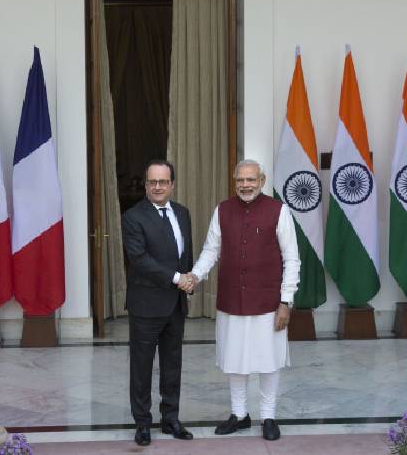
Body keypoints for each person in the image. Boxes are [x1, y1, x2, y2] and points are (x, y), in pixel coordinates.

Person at [188, 159, 300, 441]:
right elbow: (210, 250)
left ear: (261, 181)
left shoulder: (279, 210)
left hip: (268, 302)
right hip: (232, 300)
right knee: (234, 359)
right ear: (234, 181)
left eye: (251, 180)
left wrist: (286, 300)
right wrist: (195, 276)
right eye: (241, 180)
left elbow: (292, 259)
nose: (245, 185)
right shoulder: (223, 210)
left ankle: (269, 416)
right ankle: (239, 414)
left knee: (269, 360)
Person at [122, 160, 195, 446]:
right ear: (145, 184)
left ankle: (171, 418)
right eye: (153, 181)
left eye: (163, 181)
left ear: (172, 184)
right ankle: (142, 423)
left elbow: (183, 254)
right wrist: (178, 277)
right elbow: (139, 260)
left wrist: (190, 279)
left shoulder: (182, 213)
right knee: (141, 367)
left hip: (175, 305)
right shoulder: (133, 216)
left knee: (172, 364)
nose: (158, 186)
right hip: (146, 305)